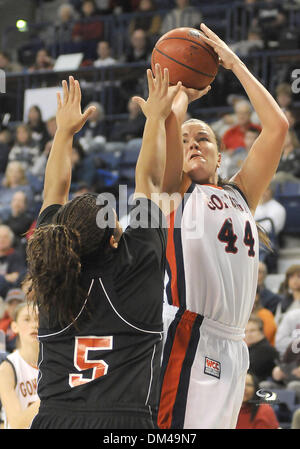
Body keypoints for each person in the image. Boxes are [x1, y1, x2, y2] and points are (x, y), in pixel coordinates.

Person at [149, 23, 288, 429]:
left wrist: (234, 64)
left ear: (220, 156)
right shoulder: (176, 189)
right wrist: (180, 94)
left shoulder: (242, 194)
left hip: (234, 344)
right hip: (187, 332)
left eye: (204, 139)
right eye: (188, 137)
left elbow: (277, 126)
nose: (193, 142)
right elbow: (168, 128)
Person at [27, 70, 181, 429]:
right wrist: (156, 118)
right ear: (115, 239)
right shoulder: (136, 260)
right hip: (123, 423)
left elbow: (53, 191)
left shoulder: (51, 268)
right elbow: (150, 180)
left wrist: (63, 132)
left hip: (52, 419)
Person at [0, 302, 40, 428]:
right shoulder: (7, 368)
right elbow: (16, 423)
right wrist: (50, 396)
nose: (34, 324)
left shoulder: (54, 363)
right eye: (27, 319)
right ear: (15, 327)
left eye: (39, 319)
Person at [245, 315, 278, 383]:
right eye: (245, 331)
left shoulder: (266, 350)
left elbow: (251, 372)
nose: (248, 334)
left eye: (252, 331)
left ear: (262, 331)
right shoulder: (250, 348)